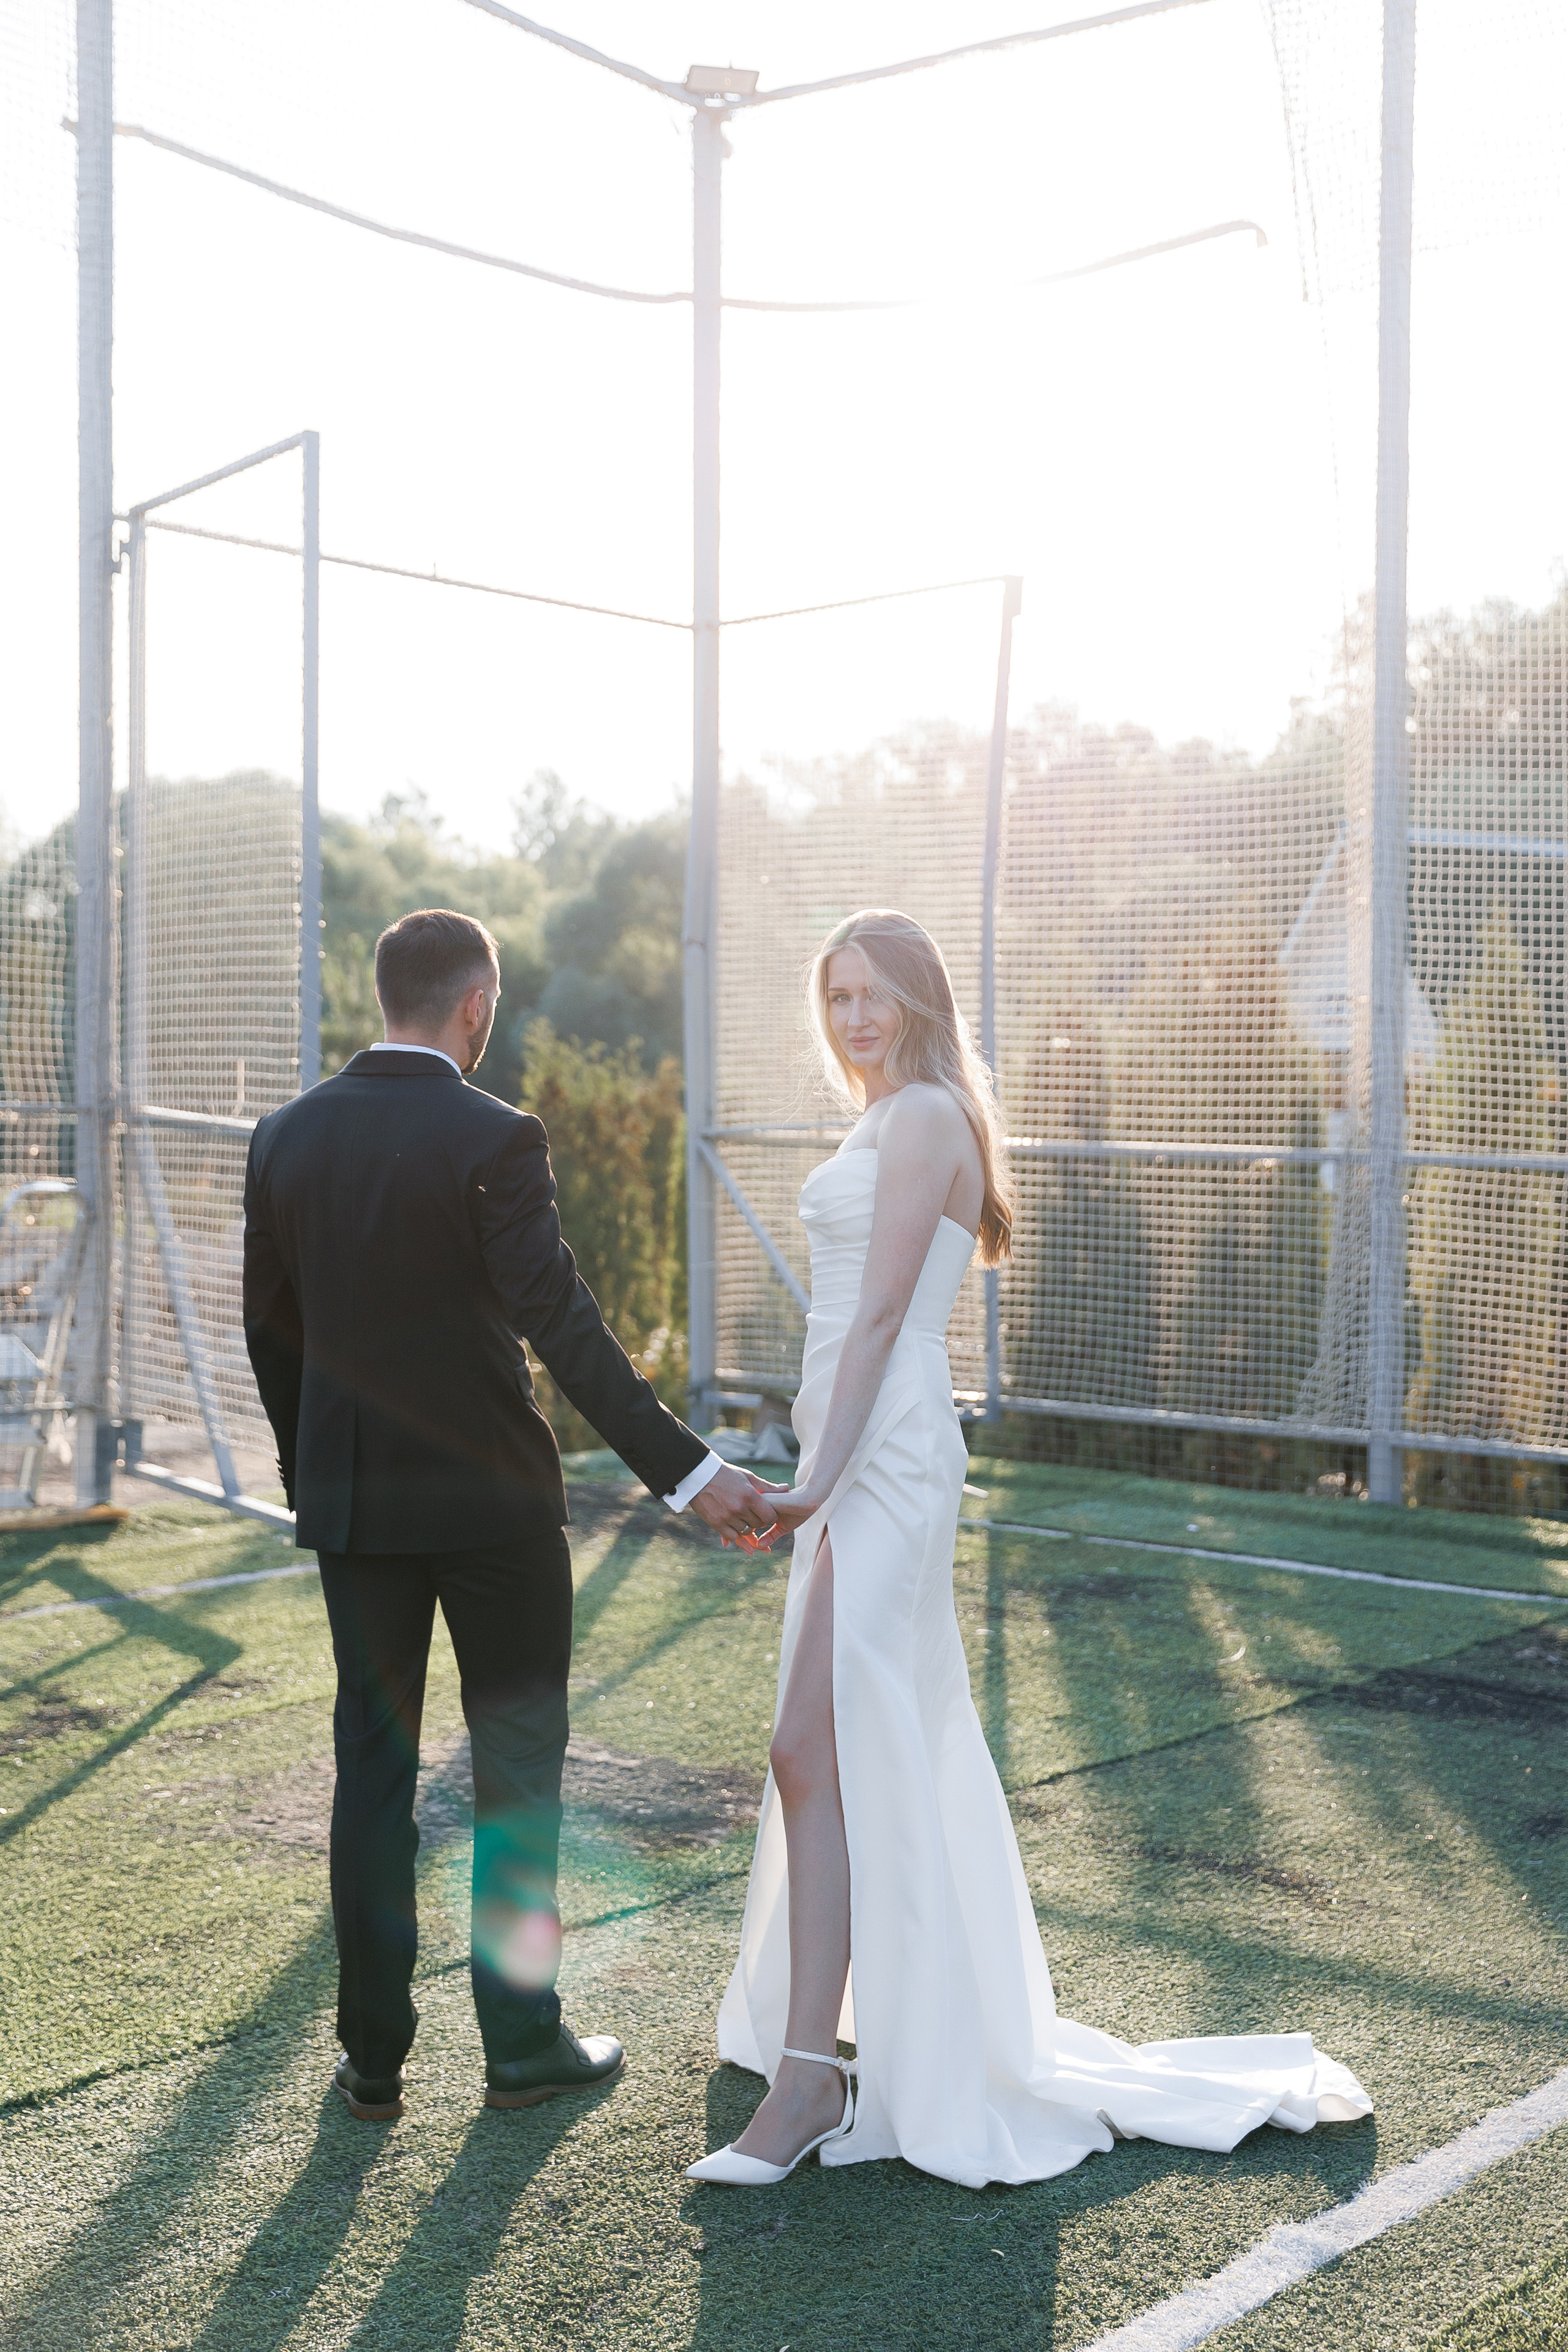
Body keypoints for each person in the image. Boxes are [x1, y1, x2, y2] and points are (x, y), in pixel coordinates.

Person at [688, 909, 1371, 2188]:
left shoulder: (929, 1115)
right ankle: (822, 2060)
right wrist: (813, 1462)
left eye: (872, 993)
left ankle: (810, 2081)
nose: (851, 1017)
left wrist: (818, 1477)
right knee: (825, 1752)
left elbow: (885, 1307)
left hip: (878, 1454)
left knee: (812, 1744)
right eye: (833, 995)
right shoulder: (885, 1115)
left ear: (919, 1000)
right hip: (850, 1448)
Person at [243, 908, 780, 2122]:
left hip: (353, 1511)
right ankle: (520, 2045)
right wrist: (690, 1477)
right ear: (475, 1003)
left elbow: (271, 1337)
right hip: (492, 1510)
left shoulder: (283, 1139)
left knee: (371, 1774)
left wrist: (310, 1475)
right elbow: (565, 1326)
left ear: (383, 997)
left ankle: (371, 2060)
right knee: (516, 1775)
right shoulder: (495, 1135)